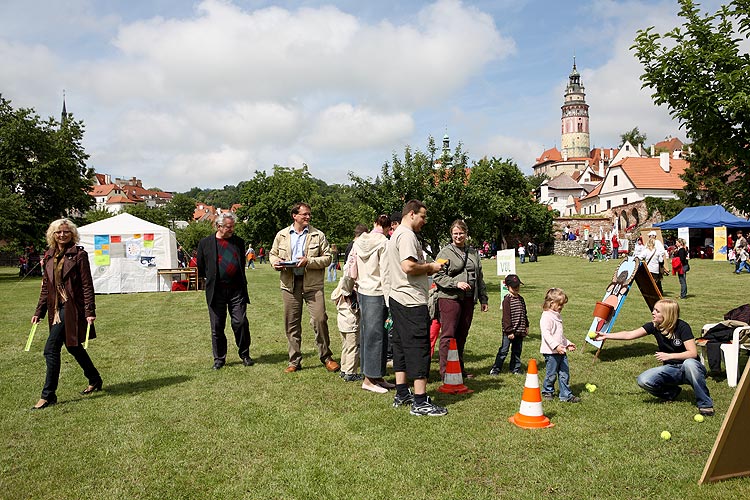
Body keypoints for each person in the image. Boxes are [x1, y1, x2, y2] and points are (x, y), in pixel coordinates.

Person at [594, 298, 714, 416]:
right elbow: (629, 334)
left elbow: (692, 353)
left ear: (667, 314)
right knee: (643, 380)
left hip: (691, 368)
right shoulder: (654, 326)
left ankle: (705, 404)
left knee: (689, 363)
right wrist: (606, 335)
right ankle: (671, 393)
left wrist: (669, 356)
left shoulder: (682, 327)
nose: (653, 312)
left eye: (657, 311)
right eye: (654, 310)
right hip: (672, 369)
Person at [30, 218, 103, 409]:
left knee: (50, 349)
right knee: (73, 346)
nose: (62, 235)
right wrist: (39, 311)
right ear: (52, 235)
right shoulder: (49, 256)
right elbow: (46, 287)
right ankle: (95, 379)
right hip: (55, 307)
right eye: (58, 232)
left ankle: (48, 395)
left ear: (72, 234)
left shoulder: (79, 255)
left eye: (66, 232)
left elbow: (87, 285)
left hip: (71, 308)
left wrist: (90, 311)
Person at [383, 199, 446, 416]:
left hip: (398, 298)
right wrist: (431, 267)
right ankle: (420, 402)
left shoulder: (396, 234)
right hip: (411, 300)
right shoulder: (407, 235)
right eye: (423, 216)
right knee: (419, 347)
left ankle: (402, 392)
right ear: (411, 214)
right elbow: (408, 266)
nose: (424, 221)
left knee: (400, 346)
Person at [270, 202, 340, 373]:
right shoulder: (282, 235)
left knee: (319, 319)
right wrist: (275, 263)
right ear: (294, 216)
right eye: (304, 214)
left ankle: (326, 357)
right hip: (289, 283)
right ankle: (294, 361)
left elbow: (328, 258)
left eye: (309, 214)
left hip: (313, 285)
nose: (308, 217)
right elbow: (273, 254)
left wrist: (309, 261)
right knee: (291, 323)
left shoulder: (318, 235)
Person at [433, 219, 489, 380]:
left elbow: (479, 277)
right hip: (450, 297)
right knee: (448, 335)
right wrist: (455, 283)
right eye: (455, 233)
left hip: (469, 299)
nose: (459, 236)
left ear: (466, 234)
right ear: (451, 234)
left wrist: (483, 299)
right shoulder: (445, 253)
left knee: (462, 335)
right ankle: (445, 372)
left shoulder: (473, 253)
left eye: (461, 233)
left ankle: (458, 368)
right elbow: (437, 275)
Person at [196, 213, 253, 370]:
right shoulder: (205, 243)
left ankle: (245, 354)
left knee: (240, 322)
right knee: (217, 327)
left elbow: (240, 264)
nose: (232, 229)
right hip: (216, 291)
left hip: (237, 290)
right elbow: (201, 266)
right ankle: (219, 359)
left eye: (233, 226)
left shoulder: (238, 242)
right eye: (229, 227)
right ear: (218, 226)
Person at [353, 215, 395, 393]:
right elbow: (386, 272)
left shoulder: (359, 240)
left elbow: (351, 268)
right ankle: (369, 380)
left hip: (363, 289)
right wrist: (389, 297)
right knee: (375, 336)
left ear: (374, 224)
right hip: (377, 291)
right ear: (388, 228)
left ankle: (377, 376)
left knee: (374, 334)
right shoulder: (384, 243)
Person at [539, 288, 580, 402]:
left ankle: (565, 395)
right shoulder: (546, 316)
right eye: (560, 304)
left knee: (564, 374)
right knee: (551, 374)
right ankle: (547, 391)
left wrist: (567, 343)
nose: (562, 307)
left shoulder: (557, 315)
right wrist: (556, 346)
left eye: (563, 305)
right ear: (552, 303)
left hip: (561, 350)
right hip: (551, 352)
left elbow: (559, 335)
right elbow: (547, 335)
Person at [489, 274, 528, 375]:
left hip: (520, 330)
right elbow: (506, 317)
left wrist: (526, 326)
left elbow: (524, 313)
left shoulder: (521, 299)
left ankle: (515, 368)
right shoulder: (507, 300)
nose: (516, 288)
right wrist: (509, 331)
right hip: (509, 332)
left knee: (517, 350)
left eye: (517, 286)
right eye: (514, 287)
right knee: (504, 350)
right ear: (507, 287)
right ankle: (496, 368)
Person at [331, 266, 361, 382]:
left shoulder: (339, 290)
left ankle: (344, 369)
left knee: (345, 347)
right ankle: (351, 372)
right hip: (351, 323)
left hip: (342, 322)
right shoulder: (350, 293)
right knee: (353, 348)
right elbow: (356, 308)